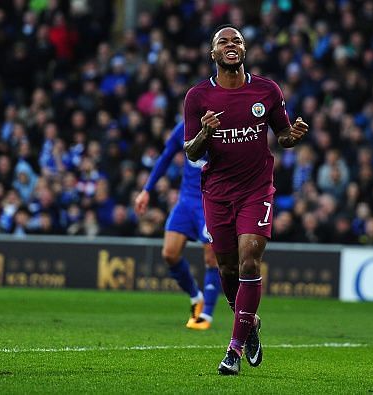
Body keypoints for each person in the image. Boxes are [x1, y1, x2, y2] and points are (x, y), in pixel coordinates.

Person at [183, 25, 309, 375]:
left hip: (256, 190)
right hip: (218, 193)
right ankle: (249, 324)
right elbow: (192, 153)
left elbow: (282, 134)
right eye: (223, 41)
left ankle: (233, 350)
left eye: (236, 40)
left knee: (250, 261)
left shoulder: (266, 90)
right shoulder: (197, 97)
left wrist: (292, 136)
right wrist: (206, 133)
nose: (231, 45)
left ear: (244, 49)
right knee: (227, 269)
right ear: (213, 54)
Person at [134, 121, 221, 330]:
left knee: (212, 257)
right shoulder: (184, 126)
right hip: (186, 201)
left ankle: (206, 315)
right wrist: (147, 189)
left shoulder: (225, 127)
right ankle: (195, 295)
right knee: (169, 254)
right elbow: (165, 156)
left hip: (212, 200)